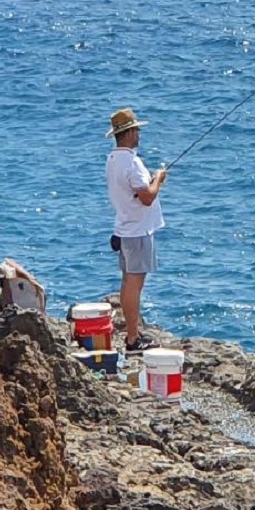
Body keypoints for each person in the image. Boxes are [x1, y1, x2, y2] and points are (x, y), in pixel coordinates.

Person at [105, 106, 167, 352]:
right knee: (134, 285)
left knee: (127, 283)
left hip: (124, 228)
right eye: (137, 130)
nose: (139, 134)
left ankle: (132, 334)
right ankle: (133, 339)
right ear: (129, 133)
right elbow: (147, 198)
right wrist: (158, 179)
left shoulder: (113, 160)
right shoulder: (132, 163)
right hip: (138, 232)